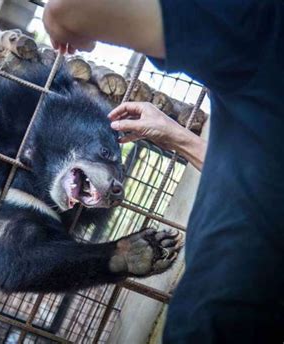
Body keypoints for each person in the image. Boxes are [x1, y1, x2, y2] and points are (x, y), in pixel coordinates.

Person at [43, 1, 284, 343]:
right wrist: (178, 137)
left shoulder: (262, 22)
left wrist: (60, 19)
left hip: (229, 314)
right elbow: (266, 174)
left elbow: (70, 10)